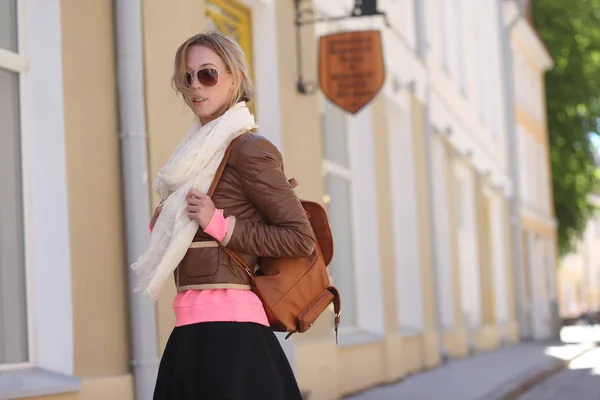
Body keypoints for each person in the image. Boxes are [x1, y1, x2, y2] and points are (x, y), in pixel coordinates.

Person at [131, 31, 316, 399]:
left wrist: (220, 224)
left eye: (208, 74)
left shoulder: (249, 148)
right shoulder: (193, 158)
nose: (195, 86)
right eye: (187, 77)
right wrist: (170, 223)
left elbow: (300, 237)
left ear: (235, 77)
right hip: (190, 329)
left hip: (234, 336)